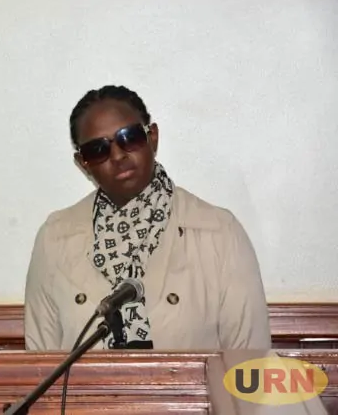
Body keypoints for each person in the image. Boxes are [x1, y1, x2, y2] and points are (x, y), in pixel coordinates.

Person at [24, 85, 271, 351]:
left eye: (129, 138)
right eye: (97, 149)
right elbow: (39, 364)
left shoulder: (219, 233)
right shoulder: (56, 239)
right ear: (83, 162)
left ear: (152, 137)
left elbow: (250, 362)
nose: (118, 155)